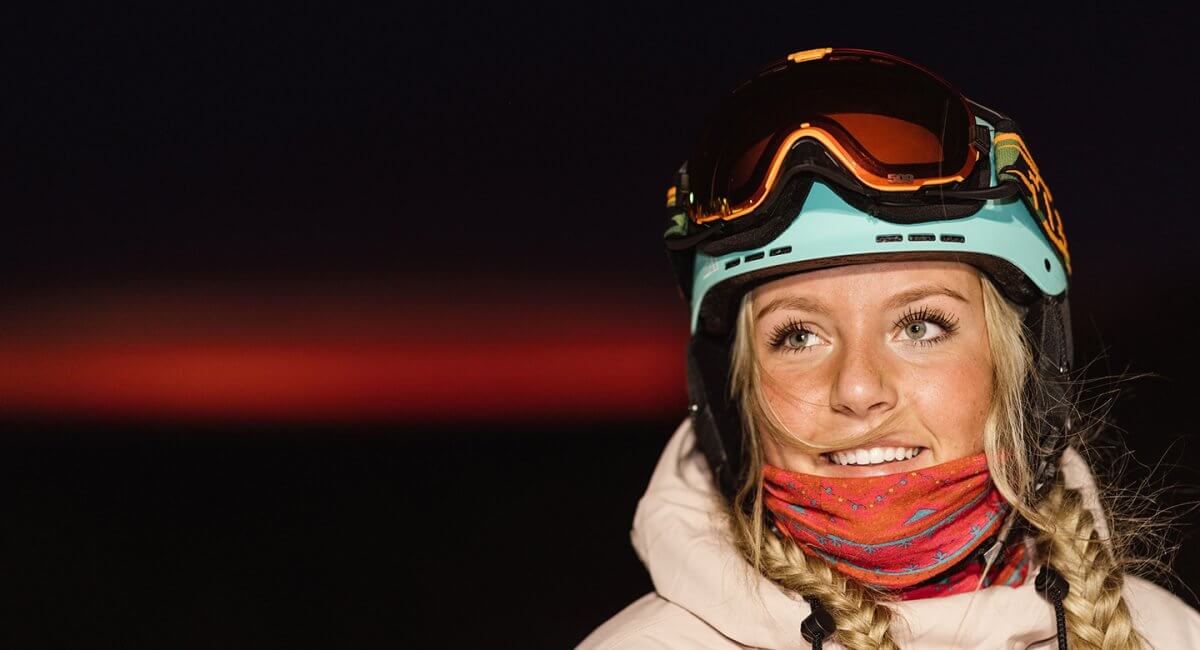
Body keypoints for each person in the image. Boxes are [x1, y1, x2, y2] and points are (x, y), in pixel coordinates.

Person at [580, 47, 1200, 649]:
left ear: (1023, 372)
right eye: (798, 336)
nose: (857, 389)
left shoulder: (1171, 635)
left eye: (920, 327)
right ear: (734, 394)